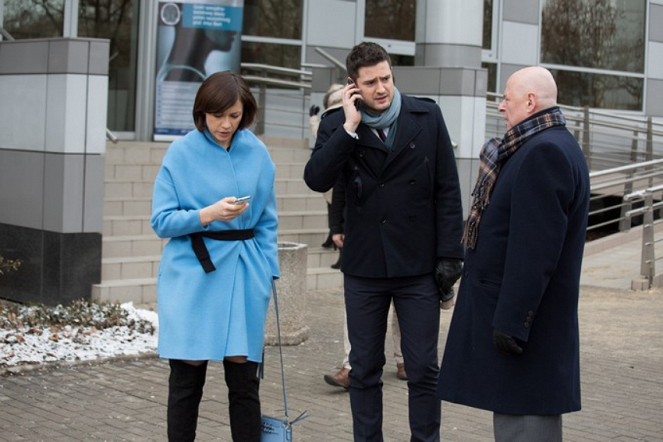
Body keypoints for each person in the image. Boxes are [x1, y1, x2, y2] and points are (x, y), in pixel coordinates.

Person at [304, 42, 464, 441]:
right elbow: (317, 178)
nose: (381, 88)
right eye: (370, 82)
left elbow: (447, 189)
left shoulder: (426, 116)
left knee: (424, 367)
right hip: (365, 267)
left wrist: (450, 255)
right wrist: (348, 127)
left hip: (417, 266)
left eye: (386, 78)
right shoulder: (337, 124)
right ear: (352, 86)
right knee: (364, 369)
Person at [437, 66, 590, 442]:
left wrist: (511, 322)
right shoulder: (543, 145)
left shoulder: (544, 153)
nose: (501, 107)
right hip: (526, 326)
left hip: (525, 331)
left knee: (524, 427)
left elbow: (535, 251)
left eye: (507, 98)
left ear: (530, 101)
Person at [151, 71, 279, 442]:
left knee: (244, 384)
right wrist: (206, 214)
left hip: (245, 272)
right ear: (202, 111)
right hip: (193, 274)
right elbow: (161, 220)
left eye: (235, 116)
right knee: (187, 383)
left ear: (246, 114)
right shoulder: (180, 152)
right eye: (218, 115)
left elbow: (268, 218)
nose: (225, 125)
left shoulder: (257, 151)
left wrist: (267, 272)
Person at [323, 178, 407, 389]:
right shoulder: (352, 143)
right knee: (355, 304)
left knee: (404, 301)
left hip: (404, 231)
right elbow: (339, 185)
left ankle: (405, 360)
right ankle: (351, 366)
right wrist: (336, 226)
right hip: (362, 233)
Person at [309, 83, 344, 253]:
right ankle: (334, 237)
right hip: (344, 171)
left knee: (334, 207)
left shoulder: (330, 116)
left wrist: (313, 118)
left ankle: (334, 236)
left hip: (333, 172)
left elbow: (319, 134)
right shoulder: (351, 108)